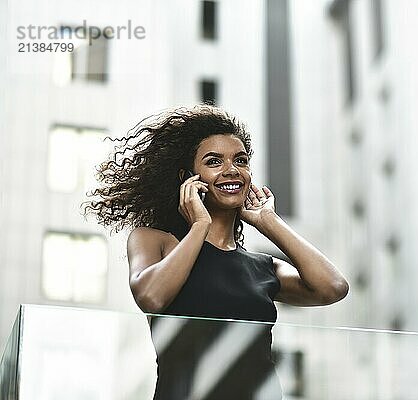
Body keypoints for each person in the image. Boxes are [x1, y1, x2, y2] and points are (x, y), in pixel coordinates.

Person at [83, 104, 349, 399]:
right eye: (214, 161)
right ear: (189, 178)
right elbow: (151, 296)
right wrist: (199, 226)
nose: (231, 170)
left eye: (241, 160)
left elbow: (333, 288)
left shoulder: (263, 267)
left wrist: (268, 222)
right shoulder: (155, 241)